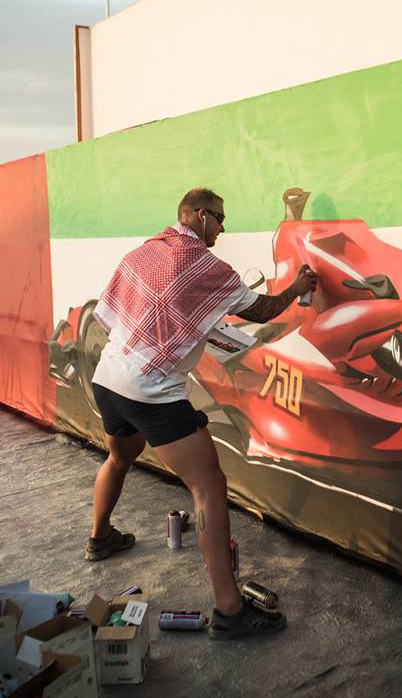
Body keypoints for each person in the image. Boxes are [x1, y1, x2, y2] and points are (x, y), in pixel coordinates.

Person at [85, 187, 317, 639]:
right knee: (208, 486)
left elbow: (122, 312)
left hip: (109, 379)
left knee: (119, 456)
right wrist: (298, 288)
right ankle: (230, 609)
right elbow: (262, 309)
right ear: (195, 214)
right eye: (219, 217)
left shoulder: (144, 252)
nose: (222, 228)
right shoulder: (202, 264)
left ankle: (100, 538)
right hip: (151, 390)